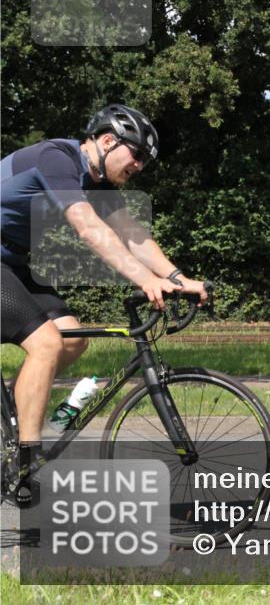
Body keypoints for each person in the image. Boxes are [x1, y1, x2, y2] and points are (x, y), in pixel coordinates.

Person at [1, 104, 207, 506]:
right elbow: (89, 228)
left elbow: (132, 236)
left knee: (73, 340)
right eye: (137, 155)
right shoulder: (55, 158)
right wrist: (146, 280)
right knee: (45, 344)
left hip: (11, 262)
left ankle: (14, 410)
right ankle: (23, 467)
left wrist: (177, 279)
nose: (140, 166)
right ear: (108, 141)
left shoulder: (100, 186)